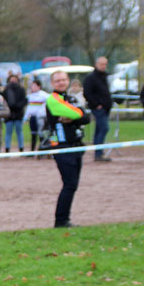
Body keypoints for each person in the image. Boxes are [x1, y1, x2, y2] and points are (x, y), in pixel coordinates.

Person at [45, 70, 90, 228]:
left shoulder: (72, 98)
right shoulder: (53, 99)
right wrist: (76, 116)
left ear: (68, 80)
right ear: (52, 83)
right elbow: (78, 114)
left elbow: (86, 117)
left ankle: (64, 219)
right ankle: (61, 220)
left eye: (63, 80)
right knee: (69, 184)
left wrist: (73, 119)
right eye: (57, 80)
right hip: (62, 147)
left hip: (77, 145)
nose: (61, 83)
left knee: (73, 185)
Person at [83, 56, 113, 162]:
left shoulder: (104, 77)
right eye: (102, 64)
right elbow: (87, 93)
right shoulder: (91, 77)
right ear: (96, 64)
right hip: (98, 108)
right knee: (104, 128)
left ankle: (97, 152)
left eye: (105, 64)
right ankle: (99, 152)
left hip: (106, 108)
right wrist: (96, 104)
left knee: (99, 129)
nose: (104, 66)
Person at [2, 74, 27, 153]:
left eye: (14, 79)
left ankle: (21, 147)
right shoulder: (5, 90)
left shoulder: (21, 89)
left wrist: (17, 106)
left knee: (19, 132)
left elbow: (24, 100)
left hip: (18, 115)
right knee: (8, 132)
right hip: (8, 116)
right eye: (11, 79)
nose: (13, 81)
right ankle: (7, 148)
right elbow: (4, 101)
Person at [24, 79, 48, 152]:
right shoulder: (30, 96)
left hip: (41, 118)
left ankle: (42, 150)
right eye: (32, 86)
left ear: (39, 86)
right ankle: (32, 151)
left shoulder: (44, 95)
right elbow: (29, 108)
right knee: (33, 134)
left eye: (34, 85)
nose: (32, 87)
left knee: (42, 134)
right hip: (33, 118)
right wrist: (26, 118)